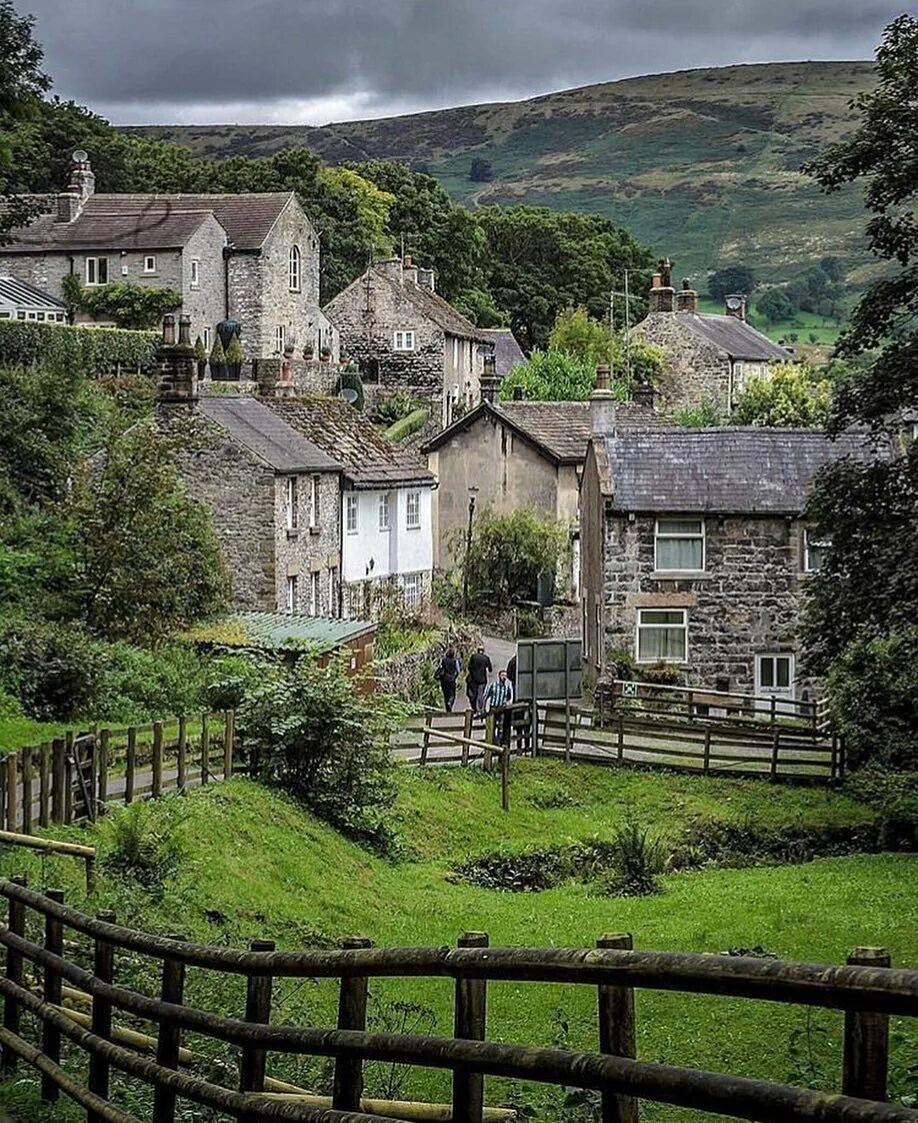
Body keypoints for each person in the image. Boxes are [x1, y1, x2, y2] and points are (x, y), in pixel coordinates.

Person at [485, 669, 514, 745]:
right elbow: (486, 695)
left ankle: (498, 743)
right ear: (499, 676)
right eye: (502, 675)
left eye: (505, 676)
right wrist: (484, 708)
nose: (504, 677)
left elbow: (509, 697)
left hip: (501, 709)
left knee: (500, 727)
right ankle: (491, 742)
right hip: (493, 708)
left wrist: (505, 703)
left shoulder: (507, 687)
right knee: (491, 726)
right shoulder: (493, 685)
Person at [467, 645, 492, 715]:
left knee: (474, 694)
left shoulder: (473, 657)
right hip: (482, 679)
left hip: (473, 679)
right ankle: (479, 709)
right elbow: (490, 669)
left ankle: (474, 708)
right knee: (480, 694)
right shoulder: (486, 658)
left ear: (477, 650)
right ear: (483, 651)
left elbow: (469, 667)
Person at [436, 646, 461, 713]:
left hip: (444, 679)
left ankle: (448, 709)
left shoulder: (443, 660)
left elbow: (440, 668)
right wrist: (455, 676)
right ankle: (450, 703)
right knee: (452, 694)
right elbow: (458, 671)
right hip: (452, 679)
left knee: (445, 694)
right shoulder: (455, 661)